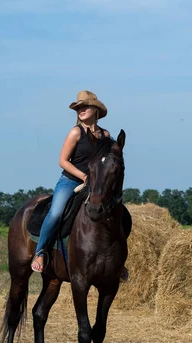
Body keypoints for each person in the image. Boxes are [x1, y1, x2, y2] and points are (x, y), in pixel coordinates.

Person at [31, 90, 127, 281]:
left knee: (118, 213)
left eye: (84, 107)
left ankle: (118, 262)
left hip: (95, 185)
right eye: (78, 108)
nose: (80, 110)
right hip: (71, 181)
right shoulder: (76, 132)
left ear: (95, 110)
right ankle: (41, 252)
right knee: (56, 213)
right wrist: (84, 176)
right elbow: (63, 161)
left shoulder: (105, 134)